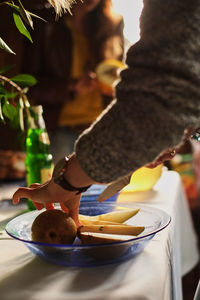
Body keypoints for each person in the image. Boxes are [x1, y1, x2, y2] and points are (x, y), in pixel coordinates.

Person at [13, 0, 200, 227]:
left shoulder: (116, 22)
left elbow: (158, 101)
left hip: (98, 129)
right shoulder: (46, 23)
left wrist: (67, 181)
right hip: (69, 131)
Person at [20, 0, 124, 162]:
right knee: (58, 186)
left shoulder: (112, 22)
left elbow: (118, 74)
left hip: (102, 129)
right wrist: (71, 87)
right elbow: (28, 84)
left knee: (107, 187)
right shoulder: (43, 20)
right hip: (61, 132)